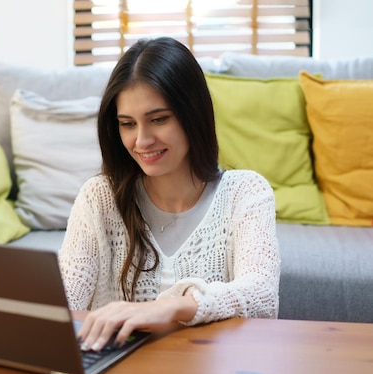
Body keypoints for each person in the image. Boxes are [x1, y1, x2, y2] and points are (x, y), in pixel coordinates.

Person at [58, 36, 281, 352]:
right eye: (127, 124)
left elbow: (262, 296)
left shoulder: (245, 192)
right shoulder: (99, 198)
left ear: (192, 114)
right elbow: (65, 306)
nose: (142, 140)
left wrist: (170, 307)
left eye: (158, 119)